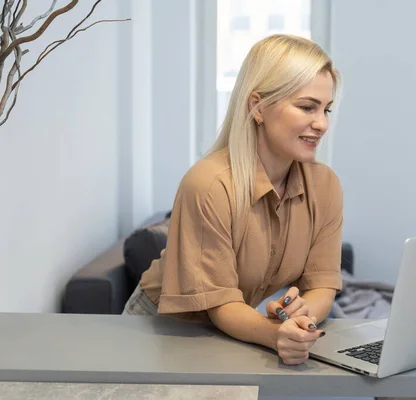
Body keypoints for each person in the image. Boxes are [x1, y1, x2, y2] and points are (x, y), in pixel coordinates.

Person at [122, 34, 343, 366]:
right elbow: (219, 304)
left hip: (233, 328)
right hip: (159, 328)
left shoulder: (324, 185)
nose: (322, 123)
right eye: (307, 107)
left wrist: (302, 319)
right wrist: (276, 335)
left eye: (326, 109)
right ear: (257, 106)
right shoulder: (209, 184)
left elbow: (322, 285)